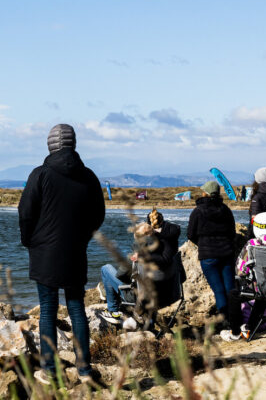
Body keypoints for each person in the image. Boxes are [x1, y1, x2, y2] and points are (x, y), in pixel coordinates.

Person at [18, 124, 105, 382]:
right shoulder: (89, 176)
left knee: (47, 309)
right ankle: (85, 369)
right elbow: (98, 214)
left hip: (44, 252)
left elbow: (25, 213)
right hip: (76, 251)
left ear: (50, 145)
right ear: (73, 144)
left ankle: (49, 370)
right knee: (76, 307)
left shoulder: (40, 174)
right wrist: (84, 237)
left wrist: (29, 240)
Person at [220, 212, 266, 341]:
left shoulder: (253, 245)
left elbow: (240, 271)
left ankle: (235, 332)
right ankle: (250, 328)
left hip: (264, 289)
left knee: (234, 294)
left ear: (257, 228)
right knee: (262, 293)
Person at [99, 208, 181, 324]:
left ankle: (114, 311)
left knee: (106, 269)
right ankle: (149, 321)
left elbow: (121, 276)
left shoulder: (139, 255)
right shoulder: (169, 250)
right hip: (169, 295)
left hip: (141, 298)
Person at [187, 180, 236, 319]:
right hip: (226, 253)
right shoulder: (225, 209)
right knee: (230, 289)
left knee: (218, 290)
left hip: (208, 254)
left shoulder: (197, 211)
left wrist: (202, 243)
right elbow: (232, 232)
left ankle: (224, 319)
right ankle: (234, 318)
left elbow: (190, 234)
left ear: (205, 193)